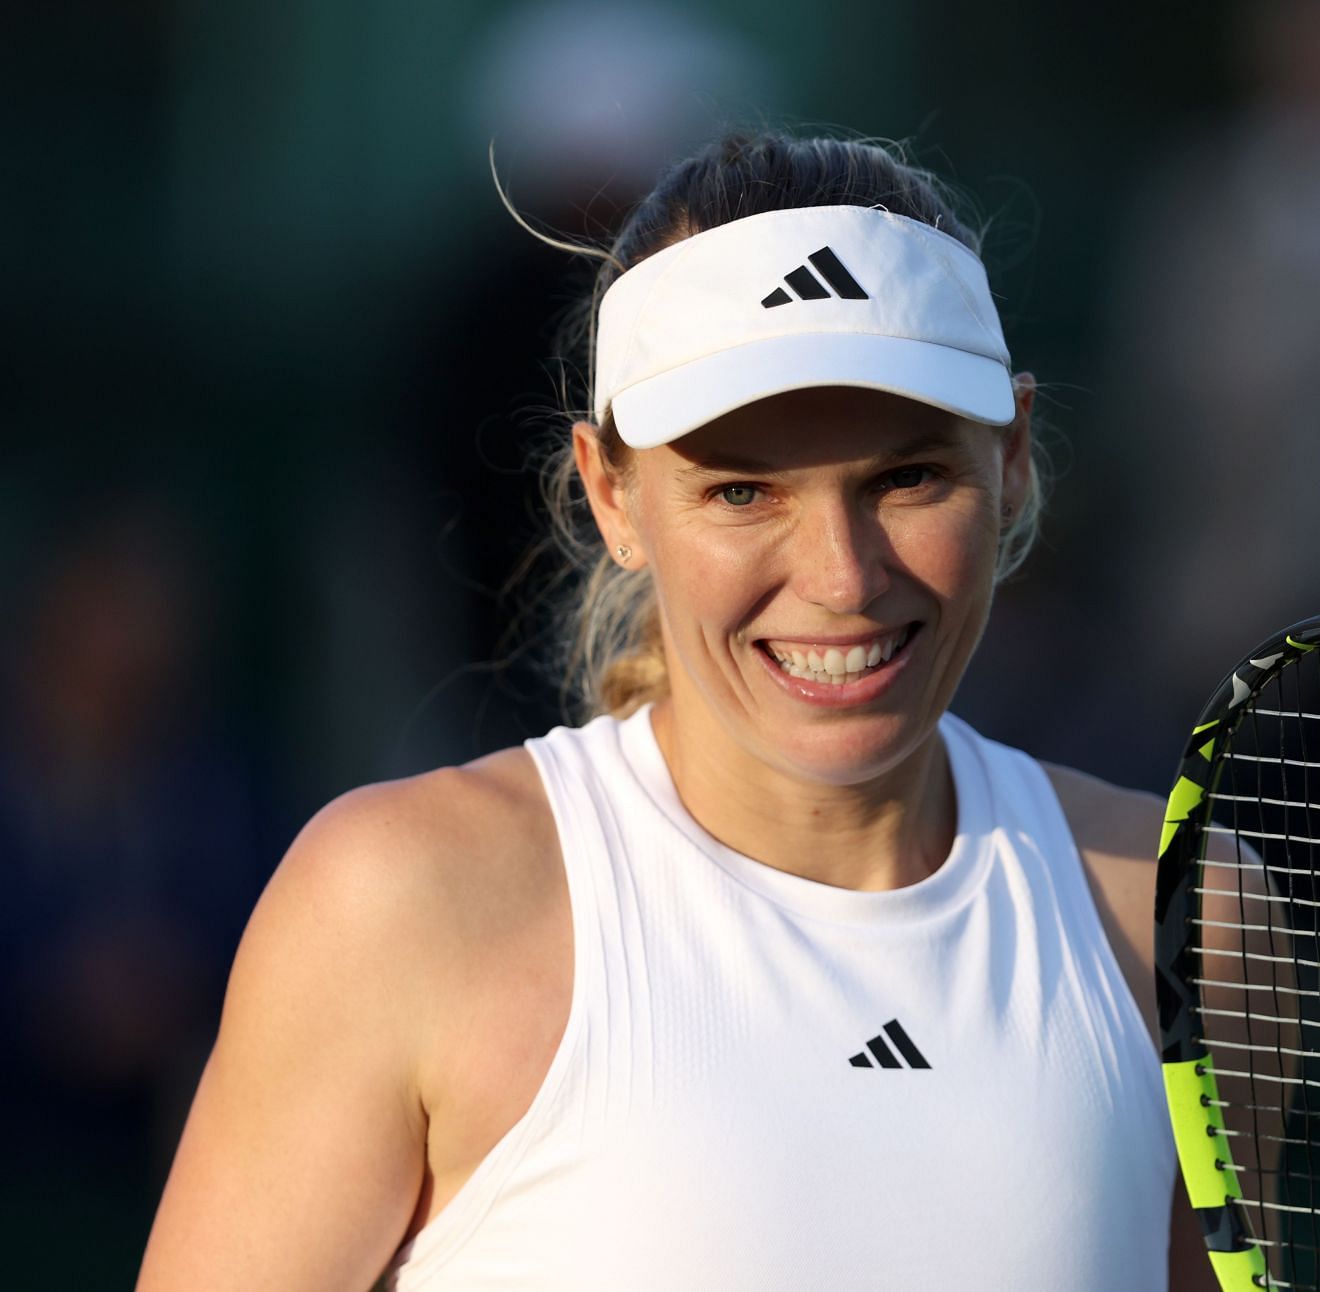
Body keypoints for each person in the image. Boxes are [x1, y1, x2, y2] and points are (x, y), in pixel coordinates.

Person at [137, 131, 1214, 1290]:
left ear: (1010, 460)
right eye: (741, 488)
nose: (843, 577)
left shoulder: (1186, 917)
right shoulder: (397, 905)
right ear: (614, 494)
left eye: (907, 477)